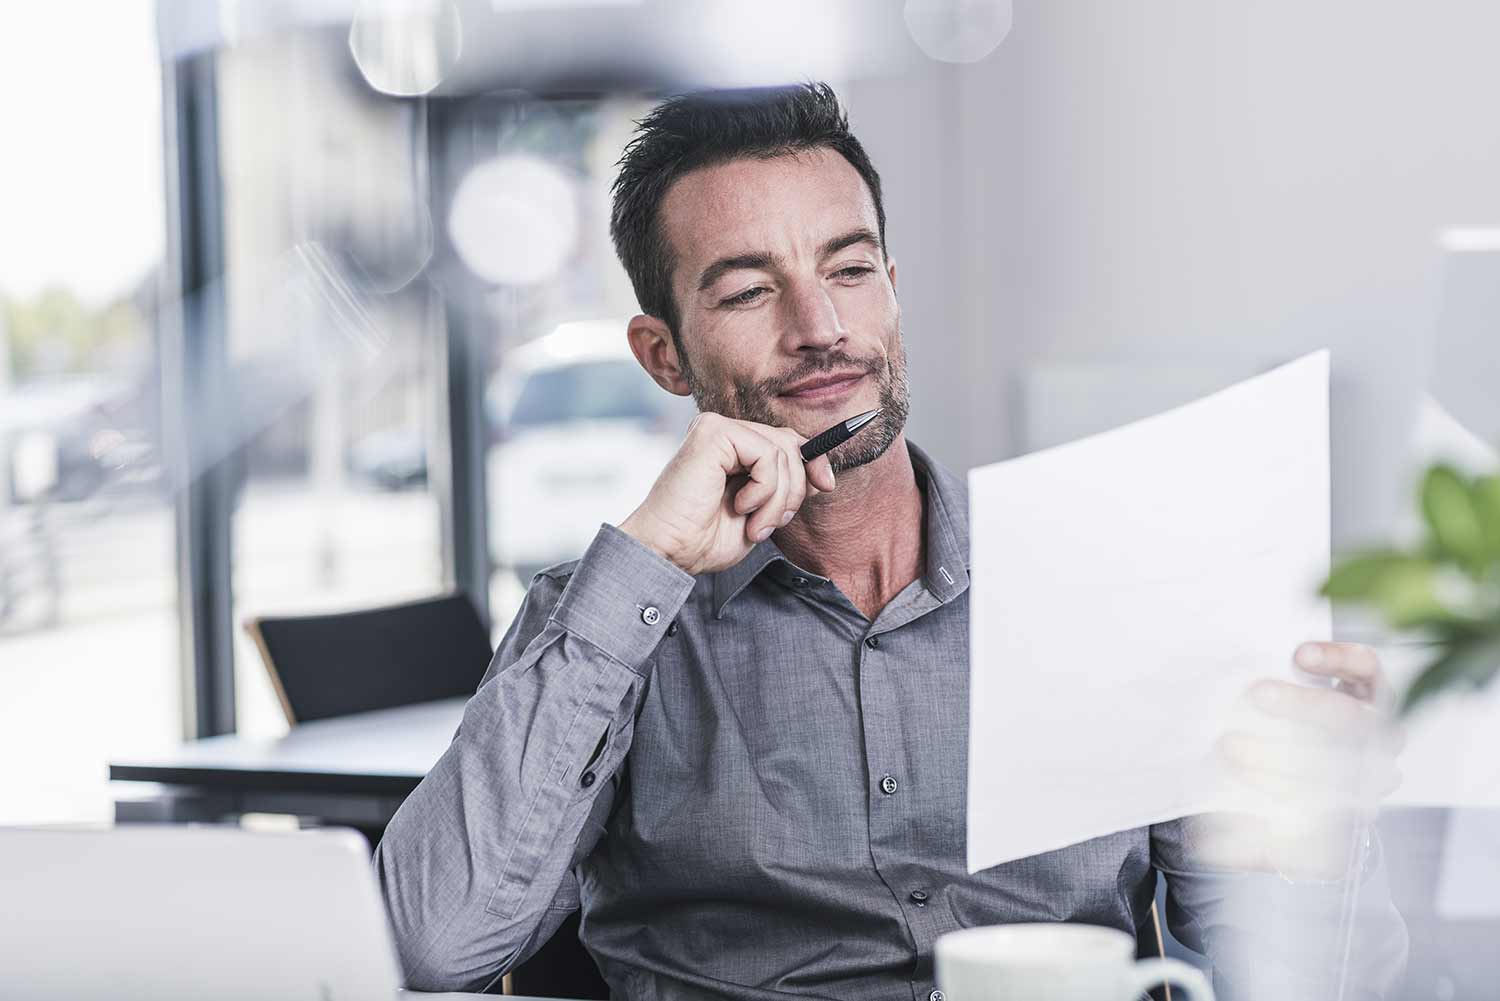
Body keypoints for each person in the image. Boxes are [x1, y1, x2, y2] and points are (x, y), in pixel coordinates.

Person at [376, 82, 1405, 1000]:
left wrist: (1318, 829)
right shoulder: (608, 621)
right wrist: (648, 555)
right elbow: (433, 943)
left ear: (894, 289)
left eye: (851, 268)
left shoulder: (1113, 577)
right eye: (746, 289)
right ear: (663, 356)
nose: (820, 323)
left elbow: (1291, 975)